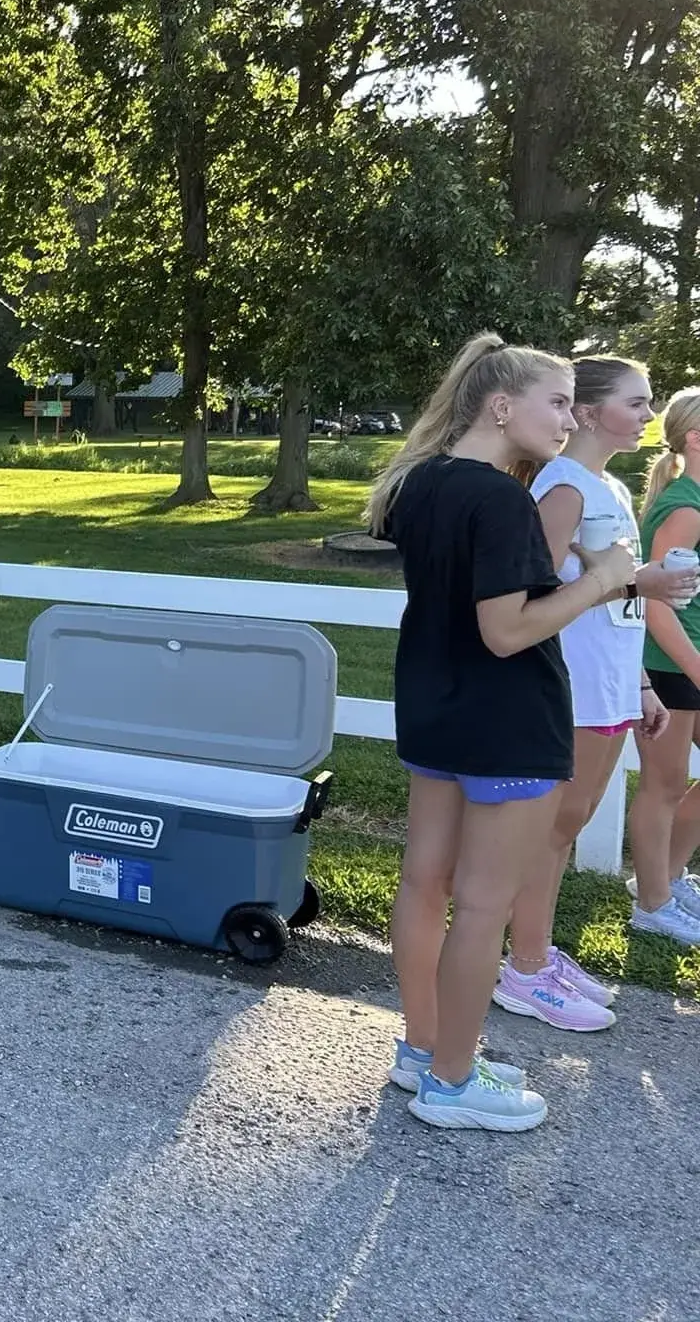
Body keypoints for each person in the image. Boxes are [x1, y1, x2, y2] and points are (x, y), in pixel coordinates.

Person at [368, 334, 635, 1133]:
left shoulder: (418, 484)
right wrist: (602, 581)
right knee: (483, 905)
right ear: (501, 405)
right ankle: (452, 1081)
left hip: (434, 707)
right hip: (508, 722)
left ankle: (425, 1052)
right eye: (557, 401)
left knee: (426, 882)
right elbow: (508, 631)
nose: (569, 415)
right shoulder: (499, 498)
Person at [505, 358, 693, 1029]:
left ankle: (534, 952)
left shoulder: (607, 484)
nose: (649, 416)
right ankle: (523, 967)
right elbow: (532, 591)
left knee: (568, 824)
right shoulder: (563, 485)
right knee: (554, 827)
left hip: (610, 686)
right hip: (572, 685)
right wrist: (638, 581)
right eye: (636, 403)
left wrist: (641, 680)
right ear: (588, 413)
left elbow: (619, 597)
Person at [629, 385, 700, 946]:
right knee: (664, 784)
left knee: (674, 782)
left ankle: (669, 879)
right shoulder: (685, 509)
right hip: (673, 661)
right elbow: (655, 608)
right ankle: (652, 902)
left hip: (690, 660)